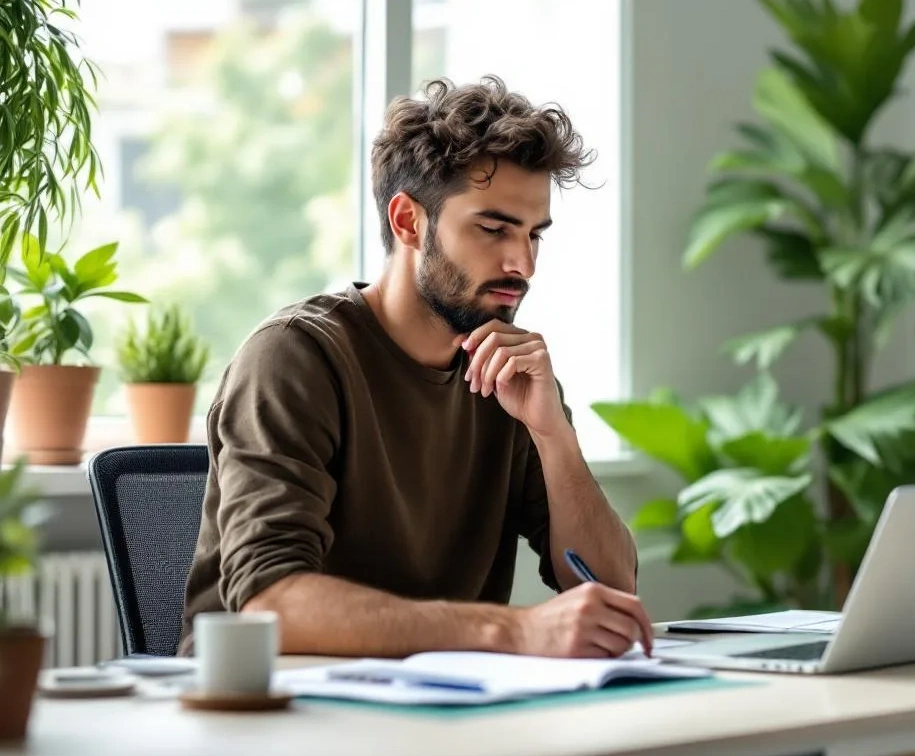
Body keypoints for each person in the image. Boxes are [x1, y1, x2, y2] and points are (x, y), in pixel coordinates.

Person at [177, 75, 653, 660]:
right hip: (273, 700)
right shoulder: (295, 357)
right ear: (408, 221)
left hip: (445, 700)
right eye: (494, 229)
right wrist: (511, 632)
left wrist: (553, 437)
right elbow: (268, 603)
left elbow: (610, 590)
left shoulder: (512, 377)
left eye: (535, 235)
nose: (523, 263)